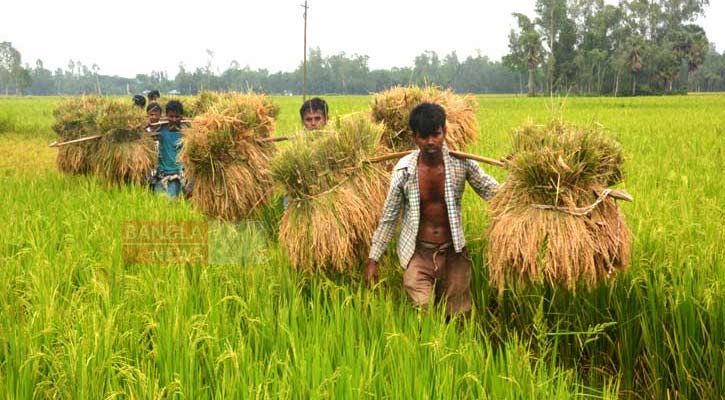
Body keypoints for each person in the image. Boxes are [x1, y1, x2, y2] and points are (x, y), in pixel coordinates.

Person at [365, 102, 499, 317]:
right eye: (423, 136)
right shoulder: (404, 171)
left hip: (453, 251)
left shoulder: (461, 164)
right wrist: (374, 258)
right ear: (414, 136)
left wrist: (518, 177)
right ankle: (424, 347)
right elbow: (389, 218)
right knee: (422, 310)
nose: (430, 142)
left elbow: (492, 191)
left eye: (435, 134)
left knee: (457, 315)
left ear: (444, 131)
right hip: (418, 252)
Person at [152, 100, 185, 197]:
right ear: (166, 116)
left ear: (182, 116)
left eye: (177, 116)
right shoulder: (160, 130)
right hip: (163, 173)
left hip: (180, 174)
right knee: (159, 201)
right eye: (171, 116)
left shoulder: (187, 132)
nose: (174, 119)